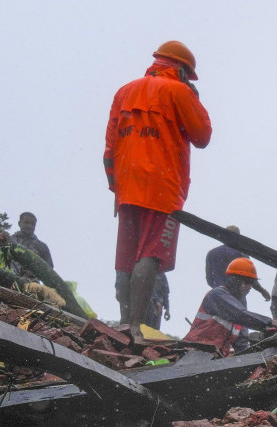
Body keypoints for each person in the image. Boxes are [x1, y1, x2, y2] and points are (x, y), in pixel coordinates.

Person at [105, 40, 212, 334]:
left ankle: (124, 324)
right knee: (150, 255)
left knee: (126, 259)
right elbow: (202, 136)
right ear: (180, 70)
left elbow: (110, 146)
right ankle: (137, 328)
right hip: (161, 188)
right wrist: (193, 98)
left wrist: (117, 186)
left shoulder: (124, 91)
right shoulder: (179, 91)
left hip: (127, 186)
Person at [184, 258, 277, 356]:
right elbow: (240, 315)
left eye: (251, 283)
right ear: (234, 281)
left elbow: (241, 342)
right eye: (246, 282)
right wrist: (274, 323)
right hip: (193, 354)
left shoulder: (241, 310)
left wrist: (248, 358)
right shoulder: (217, 295)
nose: (249, 287)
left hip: (214, 359)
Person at [5, 212, 54, 281]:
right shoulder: (9, 240)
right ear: (19, 223)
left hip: (32, 285)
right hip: (9, 280)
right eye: (26, 223)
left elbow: (49, 270)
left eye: (32, 224)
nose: (29, 226)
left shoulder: (42, 246)